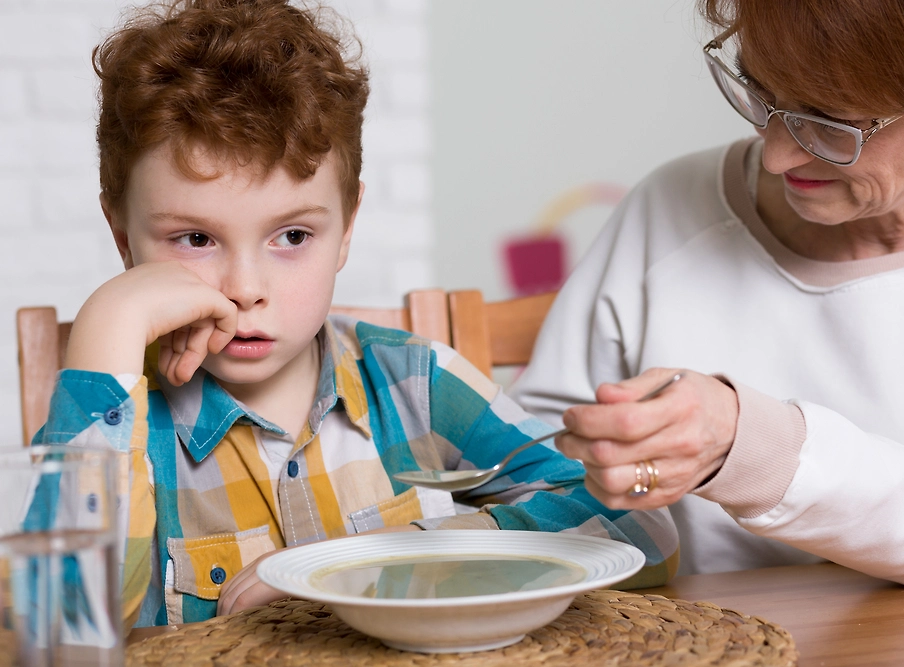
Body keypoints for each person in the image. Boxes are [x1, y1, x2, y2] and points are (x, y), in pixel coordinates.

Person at [35, 0, 678, 629]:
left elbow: (641, 526)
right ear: (123, 237)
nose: (245, 289)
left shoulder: (413, 385)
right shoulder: (123, 422)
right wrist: (107, 327)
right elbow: (61, 621)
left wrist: (392, 555)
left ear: (346, 228)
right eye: (196, 239)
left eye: (292, 236)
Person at [512, 0, 904, 588]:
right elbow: (535, 446)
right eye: (762, 96)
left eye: (830, 122)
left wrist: (745, 444)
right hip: (674, 629)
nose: (775, 155)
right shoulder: (675, 201)